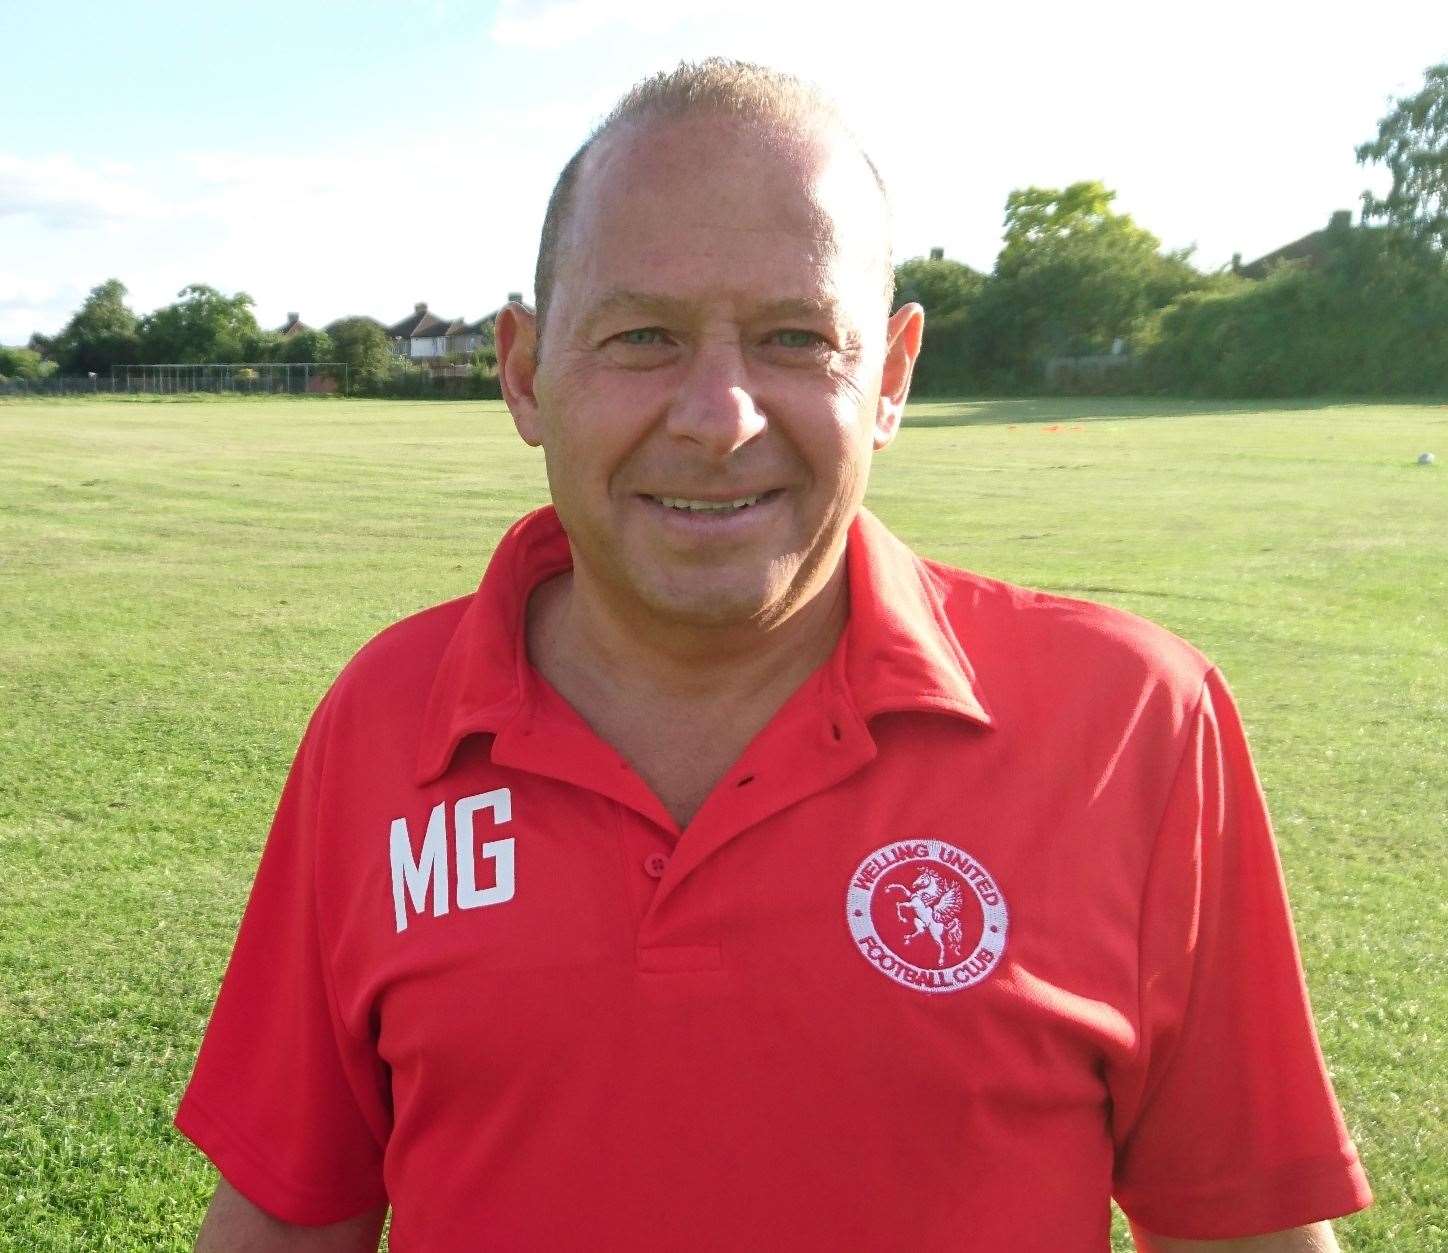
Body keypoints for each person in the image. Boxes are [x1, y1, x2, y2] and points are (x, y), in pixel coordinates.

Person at [178, 60, 1372, 1252]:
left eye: (795, 337)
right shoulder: (384, 717)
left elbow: (1243, 1231)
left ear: (891, 378)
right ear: (525, 371)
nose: (718, 415)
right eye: (642, 335)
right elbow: (288, 1219)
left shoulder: (1131, 724)